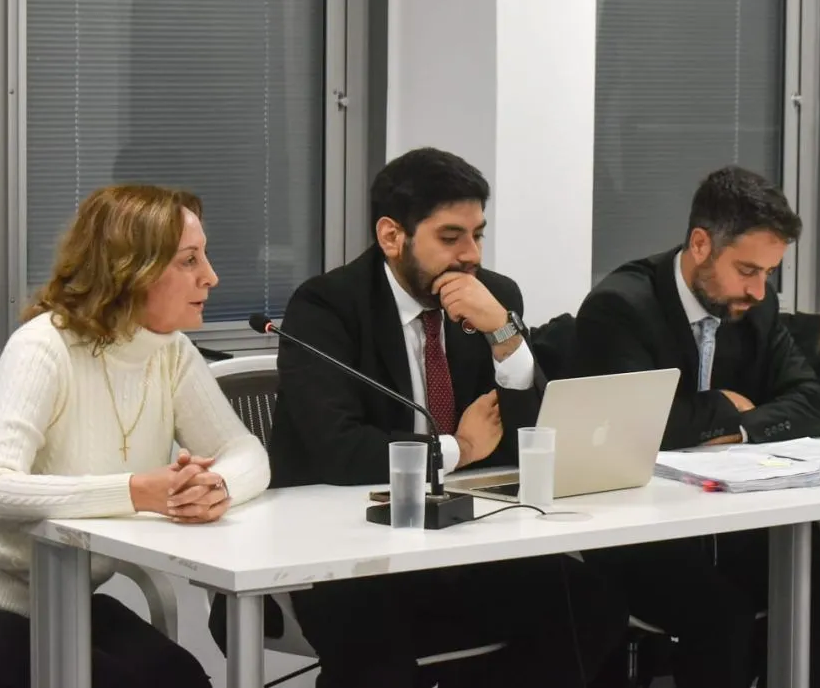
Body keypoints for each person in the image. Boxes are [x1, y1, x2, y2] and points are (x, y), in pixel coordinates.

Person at [250, 147, 629, 688]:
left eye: (478, 235)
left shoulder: (492, 297)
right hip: (347, 553)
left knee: (592, 606)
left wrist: (505, 335)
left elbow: (525, 441)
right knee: (380, 666)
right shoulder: (326, 307)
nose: (470, 255)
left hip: (459, 538)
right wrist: (458, 450)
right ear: (392, 236)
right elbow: (339, 449)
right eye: (451, 238)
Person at [0, 186, 271, 688]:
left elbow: (245, 452)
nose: (211, 276)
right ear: (132, 269)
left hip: (59, 597)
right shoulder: (43, 346)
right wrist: (139, 491)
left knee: (182, 678)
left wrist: (216, 488)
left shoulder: (171, 353)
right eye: (189, 260)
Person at [575, 166, 820, 688]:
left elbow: (812, 402)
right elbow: (636, 428)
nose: (758, 290)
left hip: (729, 520)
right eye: (747, 270)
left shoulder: (755, 308)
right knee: (721, 616)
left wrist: (739, 426)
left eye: (768, 273)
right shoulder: (621, 306)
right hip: (640, 530)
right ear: (701, 244)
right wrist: (724, 407)